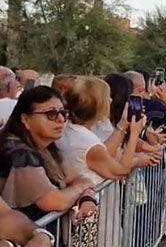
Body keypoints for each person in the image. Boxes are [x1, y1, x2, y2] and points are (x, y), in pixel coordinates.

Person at [0, 86, 96, 222]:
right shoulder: (19, 154)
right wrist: (80, 188)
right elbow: (55, 201)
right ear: (25, 119)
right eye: (51, 114)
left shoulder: (47, 148)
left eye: (63, 113)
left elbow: (79, 179)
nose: (61, 119)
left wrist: (87, 195)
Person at [58, 77, 144, 183]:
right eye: (107, 97)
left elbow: (105, 154)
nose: (110, 100)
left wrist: (123, 124)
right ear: (98, 105)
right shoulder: (87, 142)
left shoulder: (68, 129)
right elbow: (120, 170)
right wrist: (134, 135)